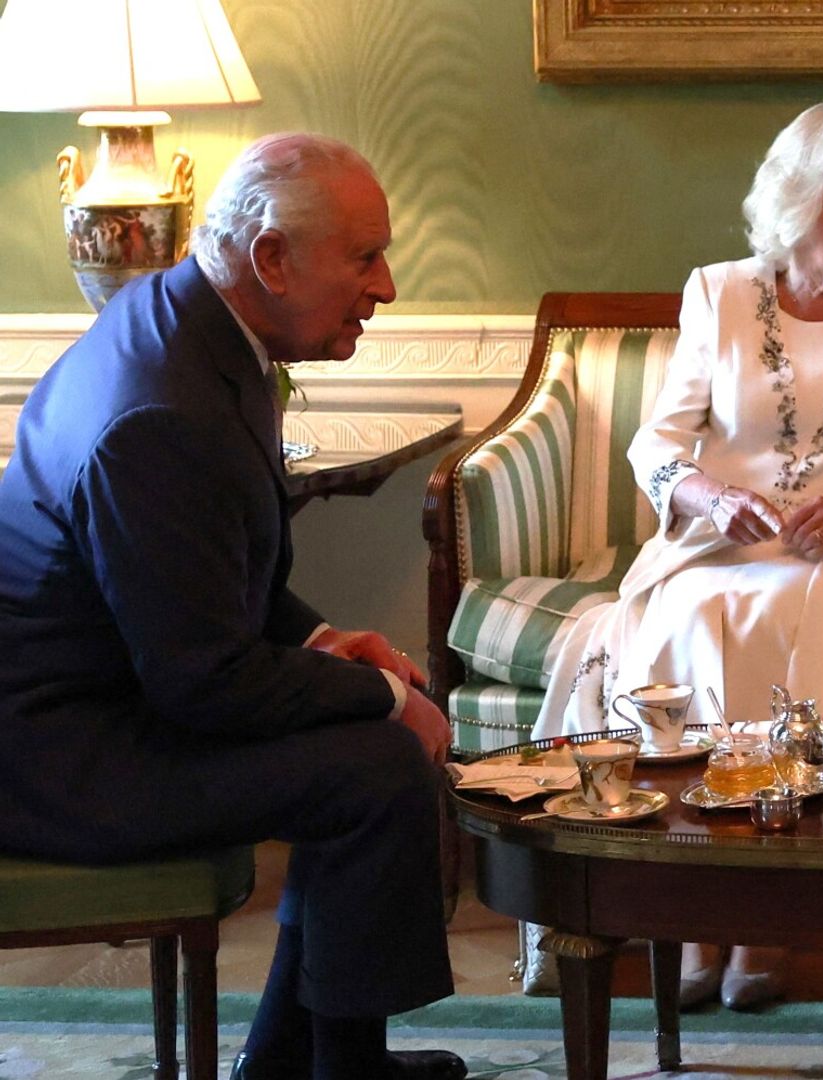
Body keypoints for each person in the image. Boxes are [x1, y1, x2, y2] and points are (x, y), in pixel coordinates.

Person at [0, 133, 464, 1080]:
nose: (385, 287)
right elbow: (205, 680)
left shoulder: (180, 321)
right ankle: (335, 1069)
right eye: (365, 258)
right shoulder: (159, 413)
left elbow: (193, 571)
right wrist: (386, 699)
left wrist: (326, 639)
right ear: (272, 259)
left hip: (109, 700)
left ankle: (294, 1062)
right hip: (59, 759)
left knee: (365, 752)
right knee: (376, 767)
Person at [533, 101, 823, 1010]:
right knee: (694, 613)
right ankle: (697, 911)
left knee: (800, 611)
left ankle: (768, 913)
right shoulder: (719, 293)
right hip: (714, 548)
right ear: (799, 199)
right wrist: (711, 498)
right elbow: (657, 444)